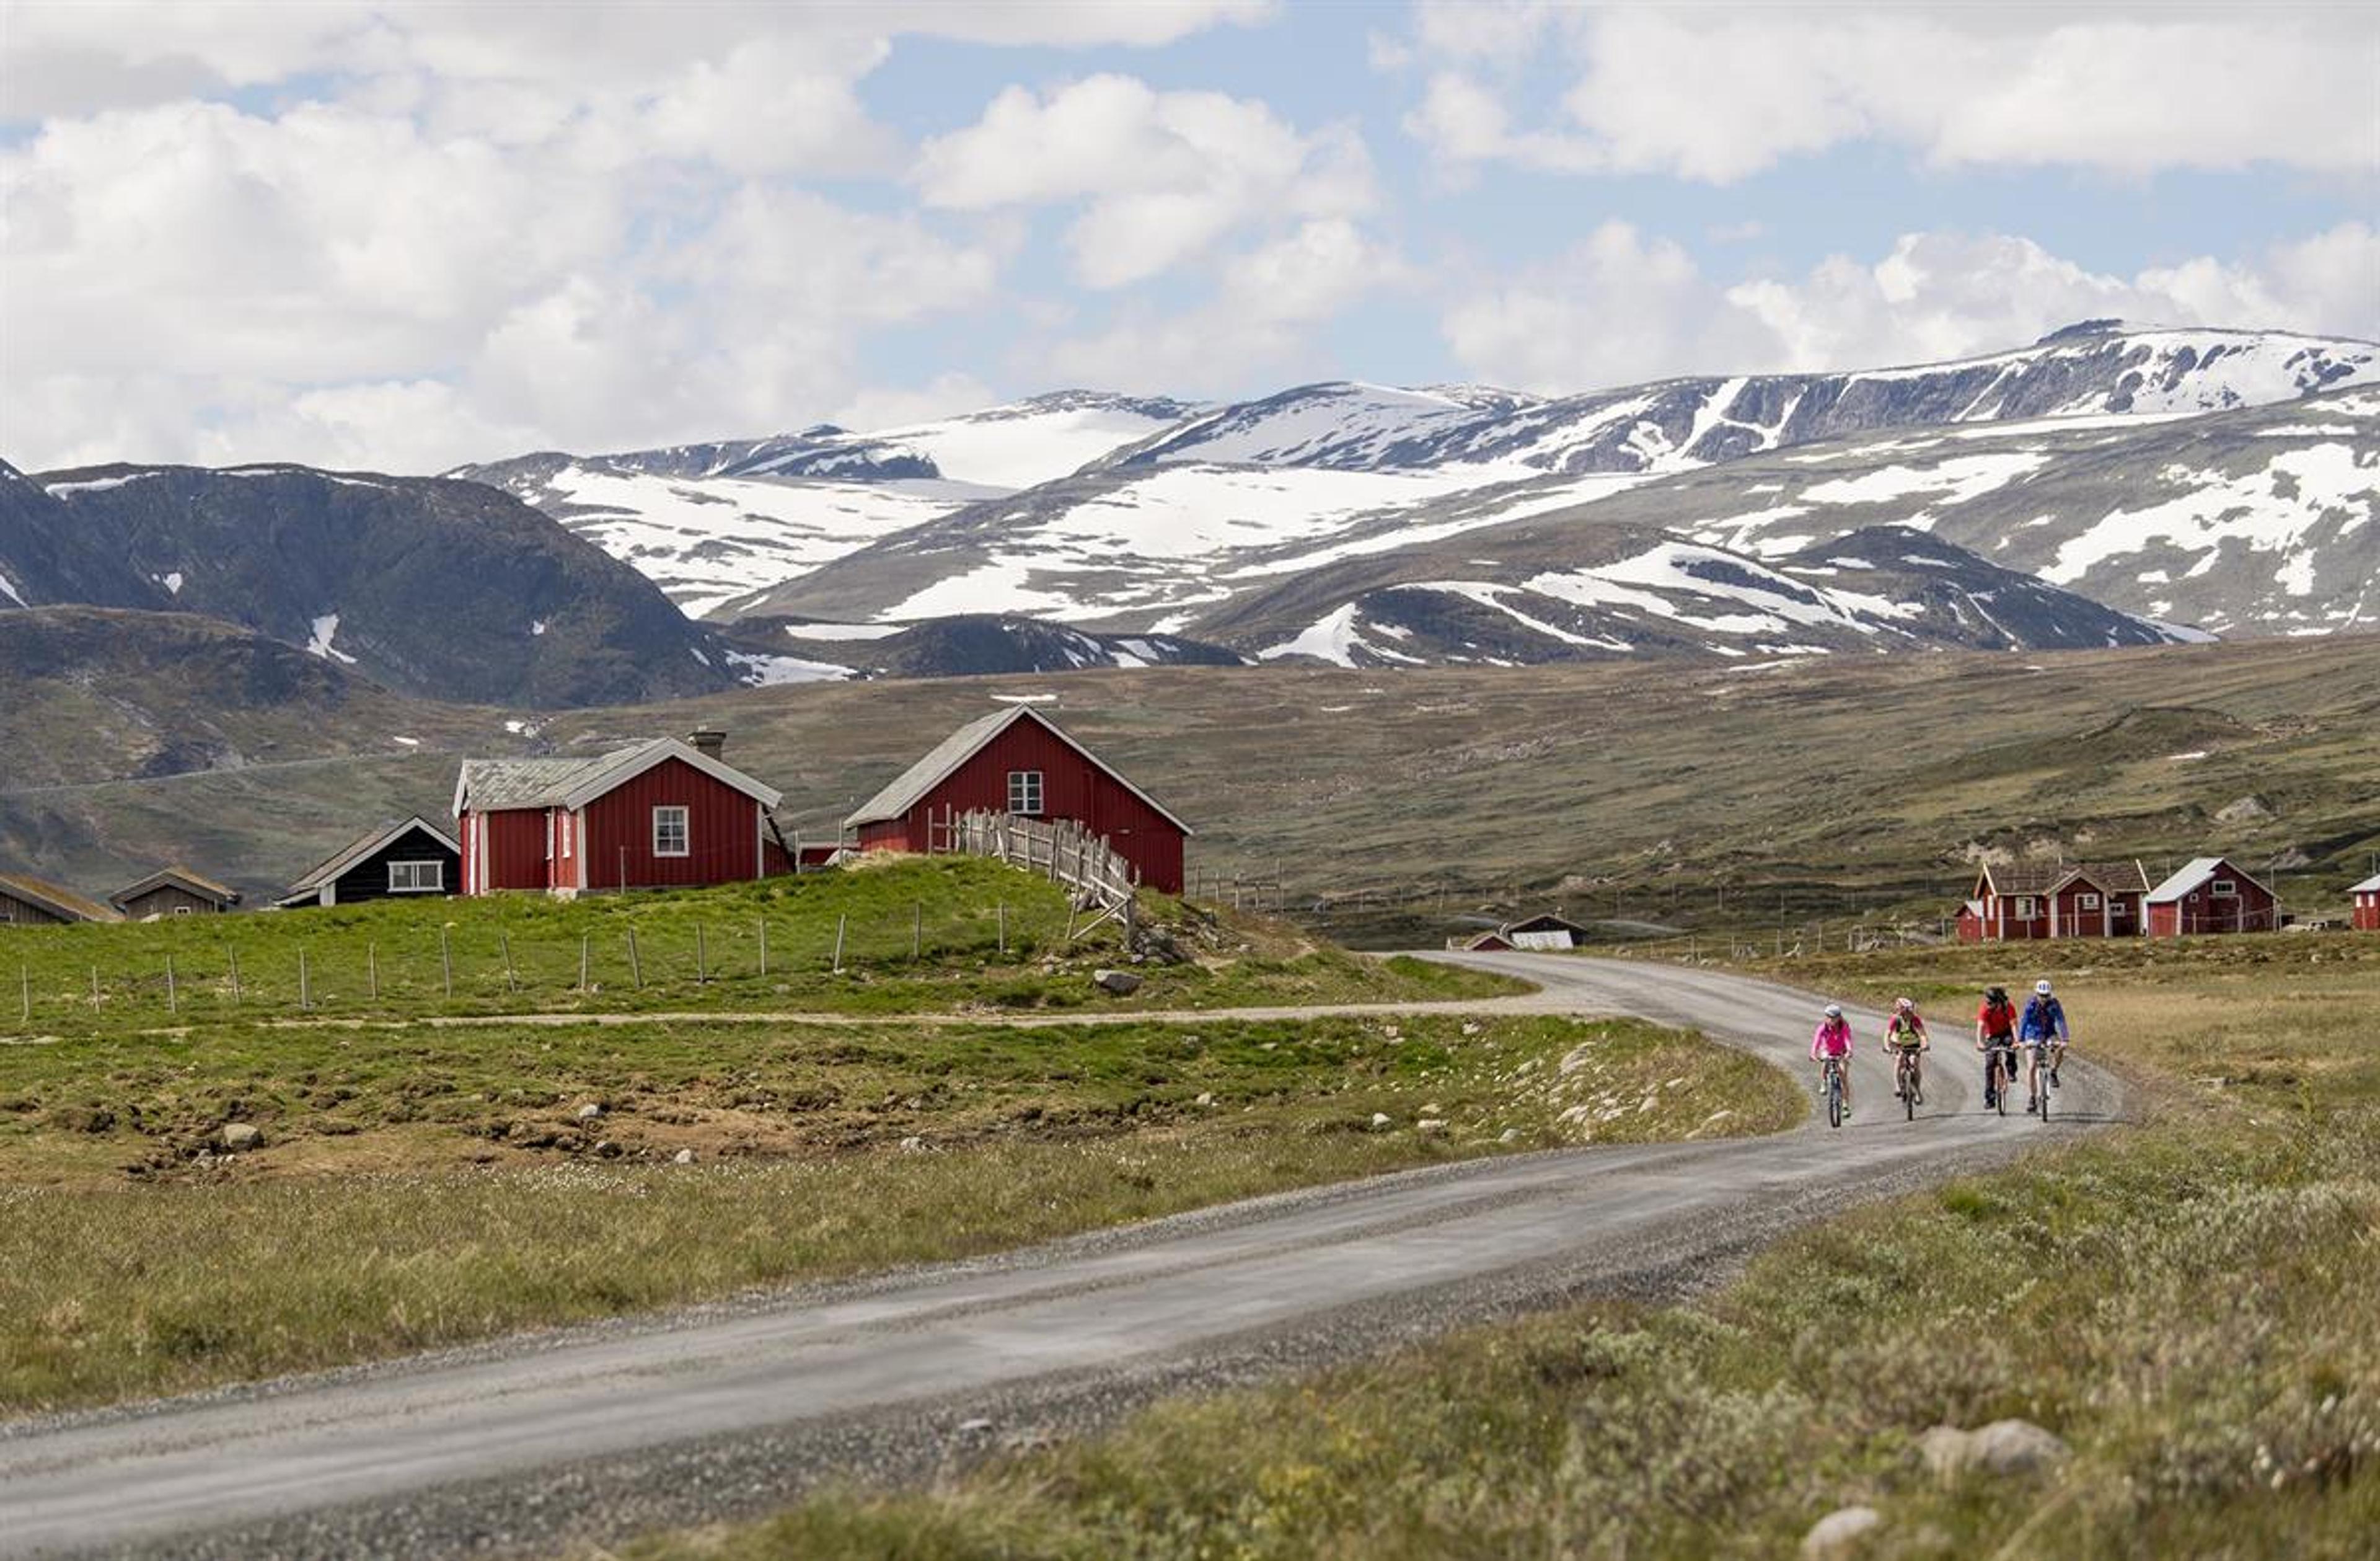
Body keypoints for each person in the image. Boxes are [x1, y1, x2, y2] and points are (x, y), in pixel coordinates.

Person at [2018, 978, 2071, 1113]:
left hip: (2049, 1033)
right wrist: (2021, 1040)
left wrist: (2065, 1039)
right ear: (2036, 994)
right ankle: (2032, 1097)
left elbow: (2061, 1020)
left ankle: (2053, 1072)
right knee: (2031, 1068)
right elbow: (2024, 1022)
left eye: (2046, 995)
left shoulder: (2054, 1004)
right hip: (2032, 1035)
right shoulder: (2031, 1004)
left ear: (2050, 994)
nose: (2043, 998)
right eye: (2041, 995)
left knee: (2060, 1048)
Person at [1975, 984, 2019, 1110]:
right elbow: (1980, 1027)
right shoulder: (1985, 1009)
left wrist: (2016, 1041)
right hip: (1992, 1035)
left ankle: (2012, 1071)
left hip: (2007, 1032)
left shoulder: (2008, 1007)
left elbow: (2014, 1025)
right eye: (1987, 1002)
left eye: (1991, 1003)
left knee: (2010, 1046)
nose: (1988, 1005)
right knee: (1990, 1064)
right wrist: (1979, 1042)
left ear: (1999, 1002)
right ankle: (1990, 1098)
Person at [1812, 1002, 1855, 1119]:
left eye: (1834, 1018)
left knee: (1844, 1077)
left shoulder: (1844, 1027)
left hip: (1841, 1052)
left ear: (1839, 1017)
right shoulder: (1822, 1028)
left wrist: (1849, 1051)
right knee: (1825, 1060)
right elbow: (1816, 1042)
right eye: (1829, 1017)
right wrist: (1813, 1054)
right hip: (1827, 1051)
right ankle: (1824, 1082)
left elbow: (1847, 1040)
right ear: (1826, 1017)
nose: (1831, 1020)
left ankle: (1845, 1106)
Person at [1883, 996, 1929, 1104]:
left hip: (1914, 1044)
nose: (1909, 1013)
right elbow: (1887, 1034)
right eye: (1906, 1010)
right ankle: (1897, 1085)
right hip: (1900, 1044)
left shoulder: (1915, 1019)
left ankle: (1917, 1091)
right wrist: (1887, 1046)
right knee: (1899, 1059)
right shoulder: (1896, 1019)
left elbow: (1922, 1035)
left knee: (1915, 1063)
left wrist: (1925, 1045)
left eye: (1910, 1010)